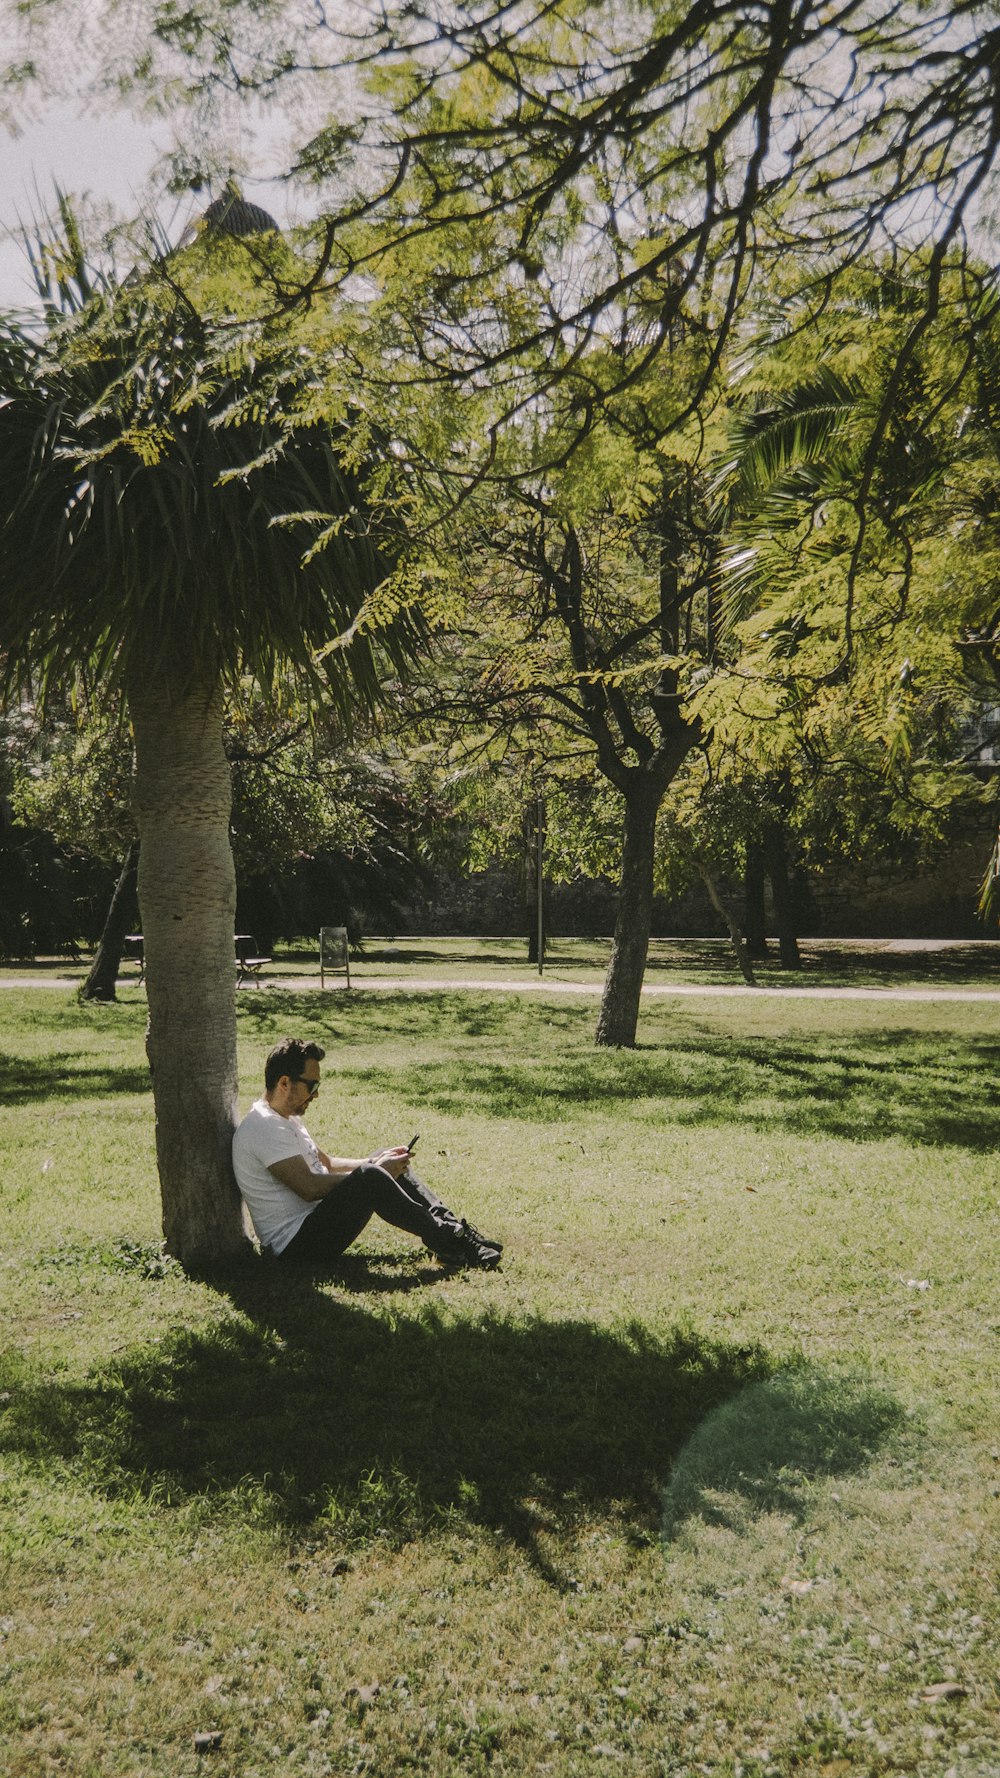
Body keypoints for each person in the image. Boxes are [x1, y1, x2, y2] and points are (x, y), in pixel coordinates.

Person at [232, 1036, 502, 1270]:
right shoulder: (263, 1127)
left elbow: (326, 1163)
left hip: (313, 1224)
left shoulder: (286, 1118)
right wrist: (376, 1171)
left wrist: (376, 1162)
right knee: (373, 1174)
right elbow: (309, 1187)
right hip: (296, 1246)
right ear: (284, 1083)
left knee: (381, 1161)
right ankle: (450, 1239)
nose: (316, 1095)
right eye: (312, 1086)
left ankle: (456, 1233)